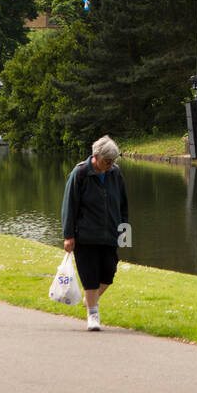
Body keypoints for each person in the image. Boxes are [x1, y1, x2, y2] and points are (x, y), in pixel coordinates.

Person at [62, 135, 129, 331]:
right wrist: (68, 236)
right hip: (86, 236)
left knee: (109, 273)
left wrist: (125, 229)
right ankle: (93, 314)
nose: (110, 165)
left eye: (113, 161)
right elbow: (69, 206)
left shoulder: (115, 173)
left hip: (110, 234)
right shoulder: (80, 173)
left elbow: (123, 203)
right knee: (90, 276)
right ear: (96, 156)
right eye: (107, 161)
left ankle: (90, 299)